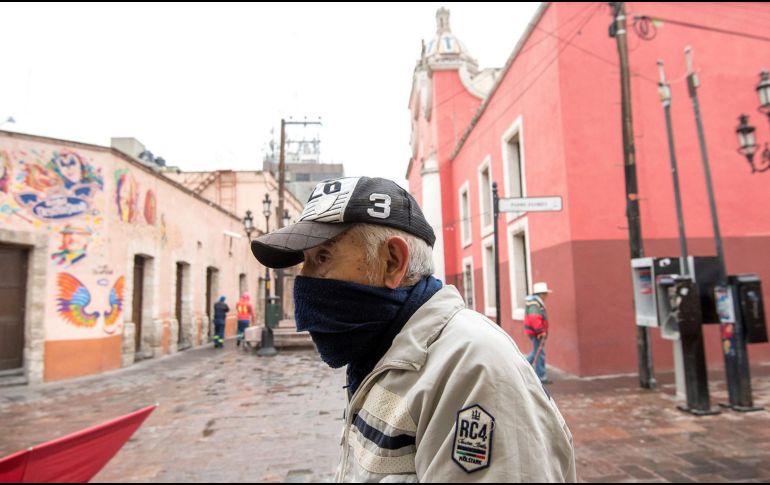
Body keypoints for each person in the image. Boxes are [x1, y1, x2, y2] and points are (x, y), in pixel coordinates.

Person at [250, 177, 575, 482]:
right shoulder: (382, 349)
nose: (304, 279)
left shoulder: (473, 368)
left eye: (322, 256)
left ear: (392, 261)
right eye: (304, 261)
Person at [525, 282, 553, 384]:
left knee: (536, 352)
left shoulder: (535, 302)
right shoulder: (535, 304)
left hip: (535, 332)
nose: (546, 296)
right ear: (541, 294)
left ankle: (524, 369)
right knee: (539, 353)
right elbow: (534, 318)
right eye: (545, 294)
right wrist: (540, 331)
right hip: (536, 333)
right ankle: (541, 376)